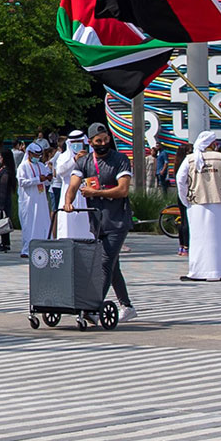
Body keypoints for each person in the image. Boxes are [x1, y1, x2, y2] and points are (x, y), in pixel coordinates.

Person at [75, 124, 138, 322]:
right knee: (113, 265)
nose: (103, 144)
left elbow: (123, 190)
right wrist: (68, 201)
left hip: (117, 220)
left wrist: (96, 193)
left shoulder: (119, 160)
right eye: (98, 141)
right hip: (97, 221)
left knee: (104, 263)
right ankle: (127, 306)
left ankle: (93, 307)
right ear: (91, 142)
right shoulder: (85, 161)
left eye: (105, 139)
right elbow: (74, 183)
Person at [176, 130, 221, 281]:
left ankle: (198, 272)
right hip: (220, 203)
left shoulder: (190, 159)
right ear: (213, 144)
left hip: (197, 204)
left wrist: (185, 199)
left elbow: (181, 181)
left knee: (199, 239)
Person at [16, 139, 53, 257]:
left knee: (42, 222)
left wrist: (48, 178)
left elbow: (46, 182)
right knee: (29, 224)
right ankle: (27, 249)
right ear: (30, 154)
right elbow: (22, 182)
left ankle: (45, 246)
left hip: (41, 199)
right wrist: (38, 179)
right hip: (28, 201)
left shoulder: (41, 165)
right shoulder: (23, 166)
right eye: (35, 155)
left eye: (39, 155)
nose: (37, 157)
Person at [54, 144, 93, 240]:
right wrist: (74, 159)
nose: (77, 145)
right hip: (68, 192)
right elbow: (60, 171)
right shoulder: (63, 157)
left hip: (86, 192)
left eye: (79, 142)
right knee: (68, 225)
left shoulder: (91, 156)